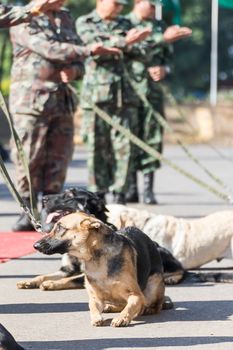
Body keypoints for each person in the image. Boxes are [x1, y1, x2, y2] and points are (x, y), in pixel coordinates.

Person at [9, 0, 115, 231]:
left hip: (61, 100)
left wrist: (74, 70)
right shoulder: (23, 16)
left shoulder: (65, 18)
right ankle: (28, 210)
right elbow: (48, 48)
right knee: (29, 156)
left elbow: (80, 61)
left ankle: (52, 212)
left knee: (59, 157)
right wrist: (87, 50)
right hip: (31, 101)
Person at [76, 0, 151, 204]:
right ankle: (97, 196)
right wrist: (126, 43)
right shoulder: (85, 22)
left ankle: (120, 194)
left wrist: (119, 43)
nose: (119, 8)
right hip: (96, 98)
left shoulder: (126, 23)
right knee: (96, 148)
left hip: (125, 97)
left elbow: (144, 51)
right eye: (115, 3)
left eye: (121, 5)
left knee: (125, 148)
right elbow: (92, 46)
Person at [125, 0, 192, 204]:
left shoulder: (160, 25)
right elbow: (130, 49)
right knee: (128, 140)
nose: (155, 8)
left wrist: (164, 70)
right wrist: (162, 39)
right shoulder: (123, 23)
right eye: (151, 4)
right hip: (128, 93)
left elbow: (168, 60)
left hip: (153, 93)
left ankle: (147, 189)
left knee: (152, 139)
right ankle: (130, 188)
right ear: (138, 2)